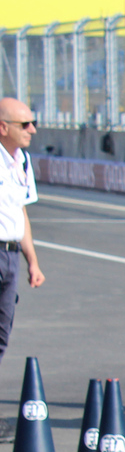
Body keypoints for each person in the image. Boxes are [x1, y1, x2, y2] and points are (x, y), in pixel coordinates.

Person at [0, 97, 44, 394]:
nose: (32, 130)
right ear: (3, 127)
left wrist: (33, 261)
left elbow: (21, 212)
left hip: (11, 256)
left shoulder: (22, 162)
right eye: (25, 124)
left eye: (33, 123)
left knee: (2, 334)